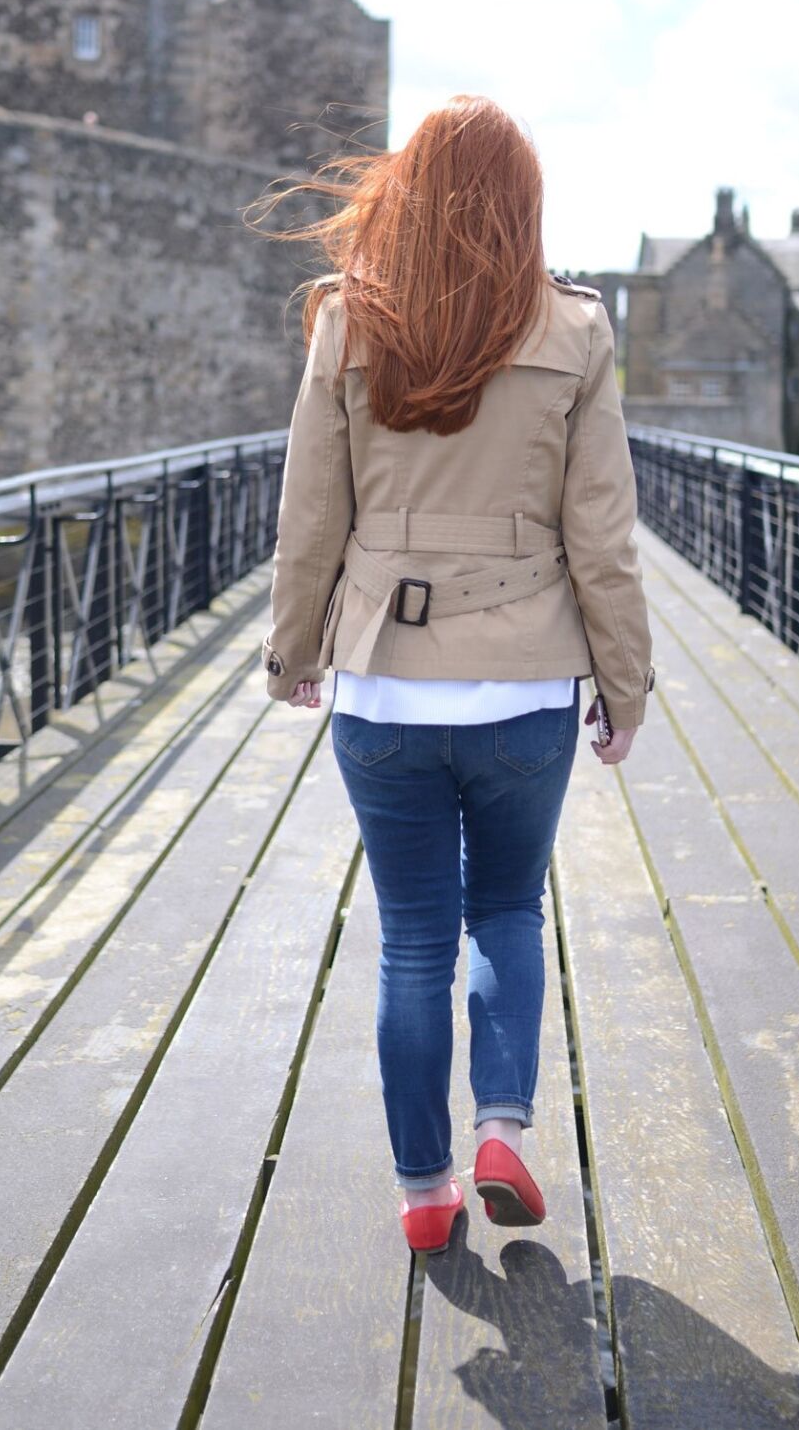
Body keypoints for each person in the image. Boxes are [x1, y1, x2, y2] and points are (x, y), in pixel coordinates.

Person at [261, 96, 653, 1255]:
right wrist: (623, 688)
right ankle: (501, 1128)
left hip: (382, 688)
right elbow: (604, 535)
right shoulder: (576, 332)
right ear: (522, 205)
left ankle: (425, 1189)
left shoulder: (348, 319)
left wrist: (293, 651)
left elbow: (308, 515)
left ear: (406, 191)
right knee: (506, 912)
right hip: (525, 691)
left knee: (415, 936)